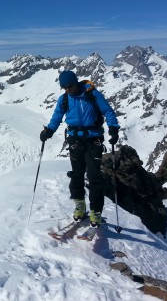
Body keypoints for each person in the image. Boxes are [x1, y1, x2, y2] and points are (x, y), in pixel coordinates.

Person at [40, 70, 120, 227]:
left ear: (75, 83)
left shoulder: (92, 94)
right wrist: (49, 131)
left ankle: (95, 212)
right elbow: (57, 117)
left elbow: (107, 111)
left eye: (69, 86)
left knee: (94, 176)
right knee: (76, 175)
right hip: (75, 140)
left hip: (93, 140)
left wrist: (114, 128)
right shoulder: (64, 100)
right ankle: (80, 206)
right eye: (65, 88)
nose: (67, 90)